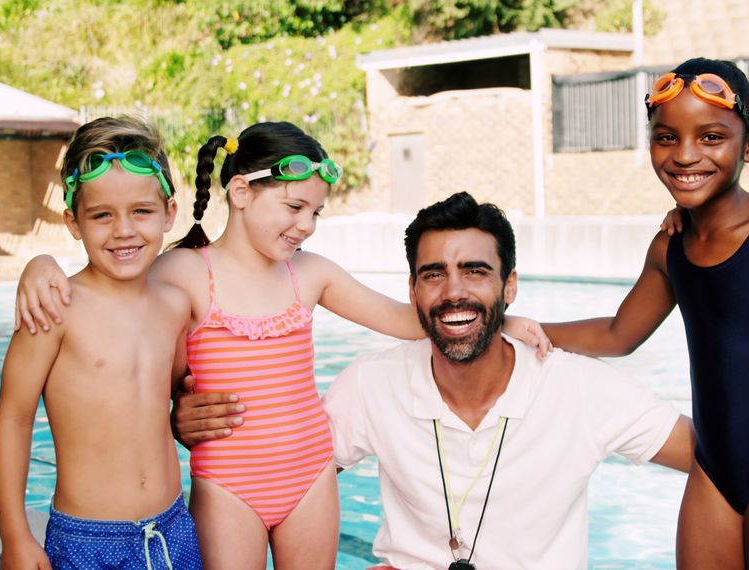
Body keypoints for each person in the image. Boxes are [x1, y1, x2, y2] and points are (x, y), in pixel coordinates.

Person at [13, 122, 549, 569]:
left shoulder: (308, 274)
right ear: (241, 192)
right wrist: (39, 267)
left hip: (310, 474)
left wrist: (498, 319)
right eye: (295, 207)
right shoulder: (182, 273)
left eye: (315, 213)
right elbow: (126, 315)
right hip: (228, 482)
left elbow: (404, 320)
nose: (306, 226)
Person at [179, 191, 695, 569]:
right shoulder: (372, 384)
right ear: (411, 289)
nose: (453, 292)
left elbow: (714, 458)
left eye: (475, 271)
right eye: (433, 275)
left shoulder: (578, 388)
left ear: (509, 286)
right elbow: (278, 471)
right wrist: (183, 418)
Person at [539, 58, 749, 570]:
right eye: (666, 137)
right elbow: (618, 333)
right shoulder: (670, 248)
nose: (686, 155)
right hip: (712, 471)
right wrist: (528, 331)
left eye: (712, 137)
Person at [0, 116, 203, 569]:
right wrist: (14, 536)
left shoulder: (176, 306)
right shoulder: (53, 309)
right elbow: (13, 417)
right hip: (89, 538)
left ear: (169, 212)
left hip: (174, 527)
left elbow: (172, 397)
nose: (123, 230)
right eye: (101, 215)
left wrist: (187, 415)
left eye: (141, 211)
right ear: (73, 221)